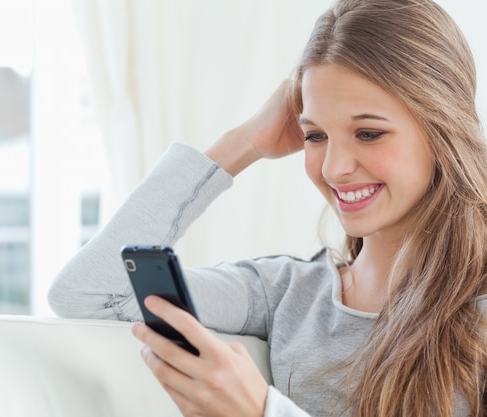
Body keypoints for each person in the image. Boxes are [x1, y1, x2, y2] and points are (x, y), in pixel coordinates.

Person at [48, 0, 487, 415]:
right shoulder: (285, 295)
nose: (333, 167)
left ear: (443, 132)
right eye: (315, 136)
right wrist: (244, 142)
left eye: (368, 133)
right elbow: (90, 292)